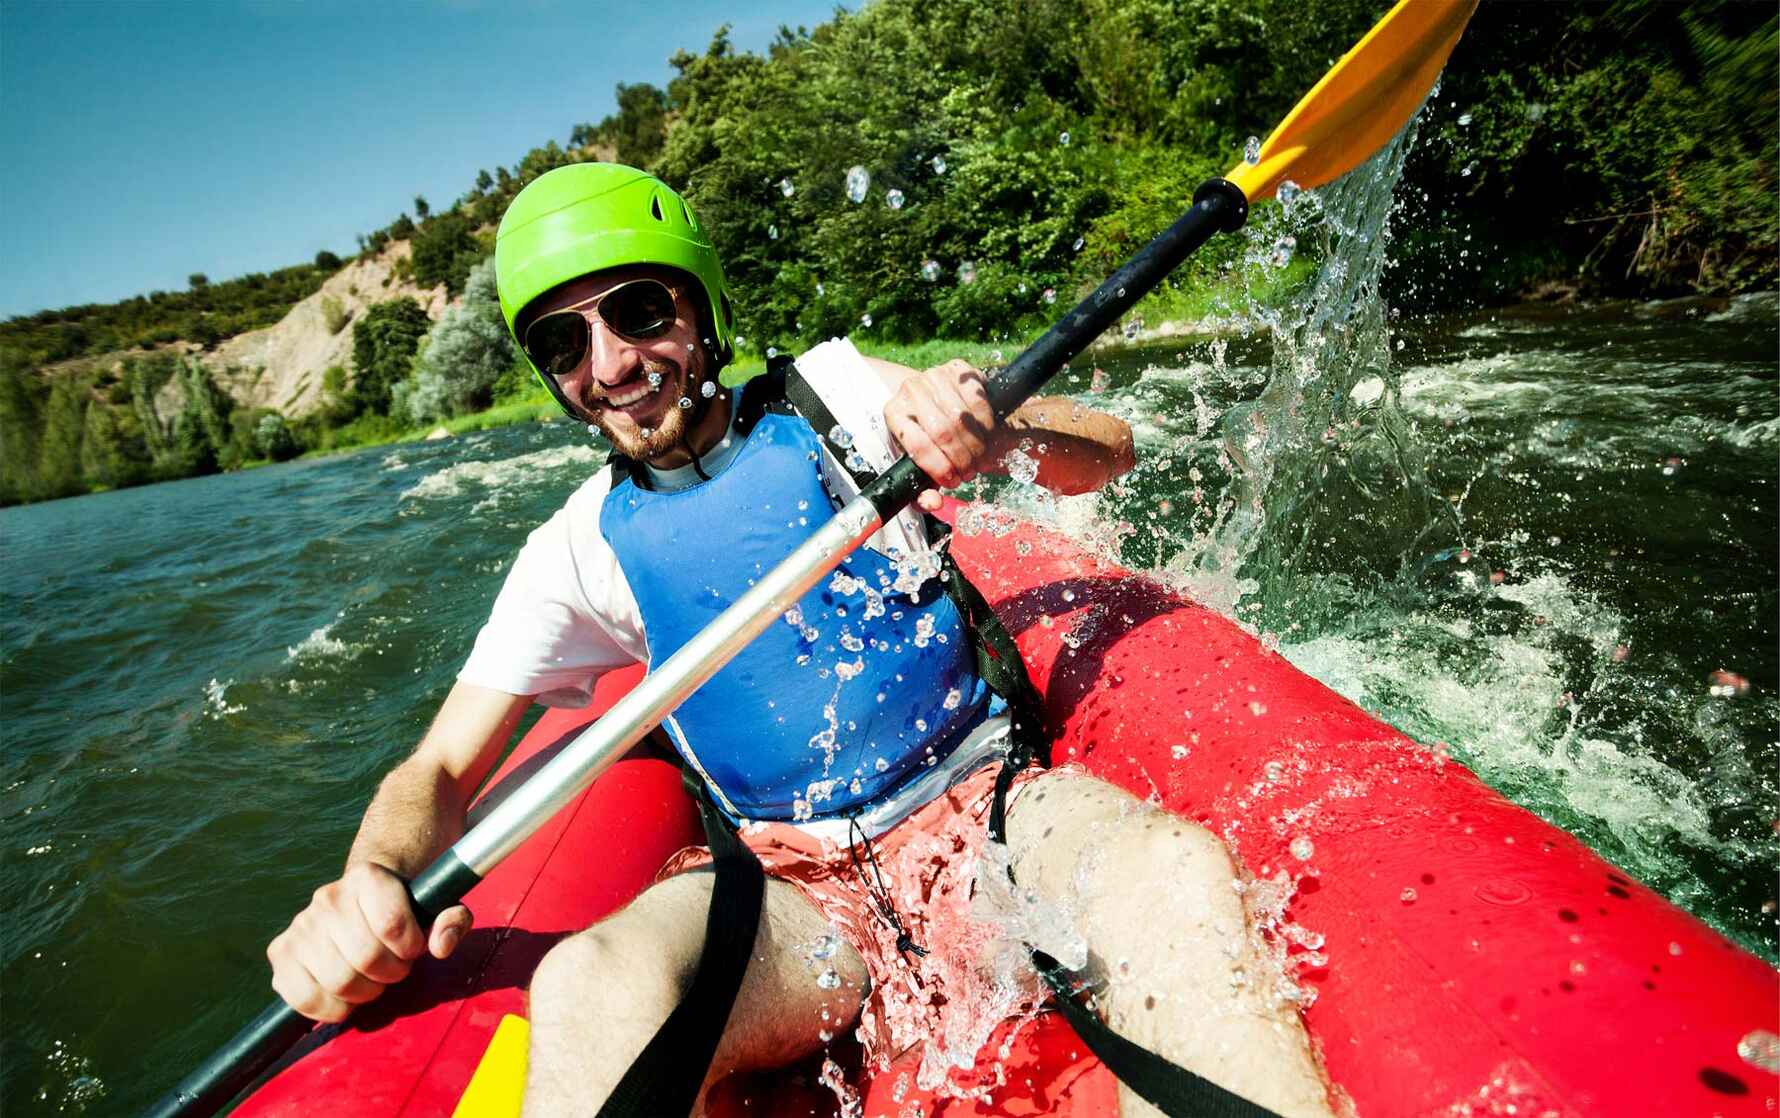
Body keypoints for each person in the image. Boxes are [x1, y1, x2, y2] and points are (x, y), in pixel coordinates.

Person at [266, 164, 1334, 1118]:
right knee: (586, 981)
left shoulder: (838, 397)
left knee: (1168, 874)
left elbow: (1109, 451)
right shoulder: (577, 550)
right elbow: (441, 766)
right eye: (564, 342)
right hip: (794, 901)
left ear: (701, 309)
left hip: (987, 810)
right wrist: (367, 875)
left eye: (638, 311)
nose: (612, 361)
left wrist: (996, 425)